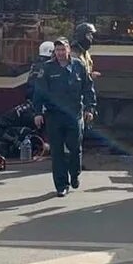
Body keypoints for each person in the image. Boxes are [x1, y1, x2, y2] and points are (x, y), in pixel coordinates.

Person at [33, 37, 96, 198]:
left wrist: (89, 108)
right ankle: (61, 185)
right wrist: (38, 112)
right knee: (57, 152)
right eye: (57, 50)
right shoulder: (47, 68)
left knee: (75, 148)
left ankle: (74, 174)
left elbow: (88, 88)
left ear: (69, 50)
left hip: (74, 115)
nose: (60, 53)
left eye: (63, 49)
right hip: (54, 116)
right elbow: (39, 92)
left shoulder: (79, 66)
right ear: (54, 52)